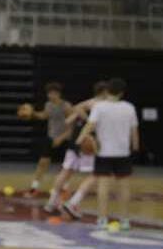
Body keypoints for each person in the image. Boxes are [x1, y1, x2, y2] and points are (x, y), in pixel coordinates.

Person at [77, 77, 140, 230]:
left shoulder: (100, 107)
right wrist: (136, 147)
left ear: (108, 90)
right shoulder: (129, 107)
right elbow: (134, 131)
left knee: (103, 186)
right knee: (124, 187)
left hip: (103, 152)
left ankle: (102, 219)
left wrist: (79, 140)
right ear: (122, 93)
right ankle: (125, 220)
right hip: (123, 152)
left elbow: (90, 126)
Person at [43, 81, 108, 219]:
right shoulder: (101, 105)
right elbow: (90, 122)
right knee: (95, 174)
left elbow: (68, 120)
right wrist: (89, 122)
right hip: (86, 142)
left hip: (74, 142)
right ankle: (73, 203)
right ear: (104, 92)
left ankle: (51, 202)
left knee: (66, 172)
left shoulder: (87, 103)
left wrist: (81, 118)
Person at [25, 82, 70, 197]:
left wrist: (61, 138)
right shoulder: (48, 105)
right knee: (42, 163)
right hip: (51, 138)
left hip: (64, 140)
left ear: (59, 94)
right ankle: (34, 188)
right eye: (49, 93)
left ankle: (64, 189)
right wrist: (33, 113)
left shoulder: (66, 106)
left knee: (64, 167)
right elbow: (44, 115)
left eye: (53, 93)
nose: (51, 96)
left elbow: (72, 126)